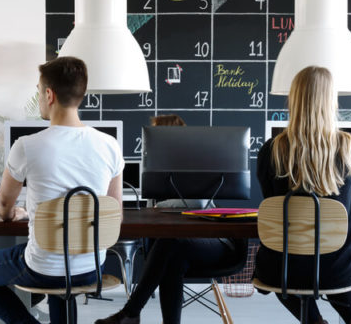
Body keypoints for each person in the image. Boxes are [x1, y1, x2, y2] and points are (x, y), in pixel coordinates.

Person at [0, 57, 124, 324]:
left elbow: (3, 206)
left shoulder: (26, 145)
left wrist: (15, 213)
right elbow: (114, 213)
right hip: (91, 268)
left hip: (43, 269)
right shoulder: (109, 145)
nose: (38, 97)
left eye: (38, 91)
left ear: (49, 94)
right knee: (60, 270)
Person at [96, 114, 247, 324]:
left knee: (169, 243)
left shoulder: (197, 163)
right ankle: (140, 316)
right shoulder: (158, 172)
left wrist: (162, 205)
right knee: (172, 255)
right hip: (182, 247)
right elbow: (152, 211)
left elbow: (198, 204)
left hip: (218, 243)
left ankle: (130, 312)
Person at [255, 66, 351, 324]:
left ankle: (314, 322)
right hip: (337, 270)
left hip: (282, 270)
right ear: (331, 102)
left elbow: (271, 204)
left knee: (285, 274)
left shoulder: (271, 151)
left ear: (293, 100)